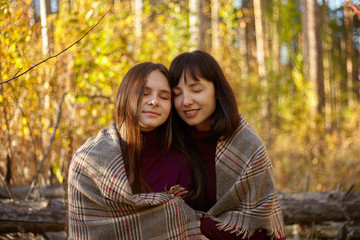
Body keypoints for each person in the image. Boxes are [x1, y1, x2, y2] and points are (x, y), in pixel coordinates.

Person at [67, 62, 206, 240]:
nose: (154, 101)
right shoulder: (89, 160)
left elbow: (185, 226)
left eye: (164, 97)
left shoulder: (181, 162)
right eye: (144, 93)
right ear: (125, 96)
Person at [169, 51, 286, 240]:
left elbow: (259, 226)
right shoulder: (170, 142)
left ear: (217, 91)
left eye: (197, 90)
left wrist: (195, 226)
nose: (186, 101)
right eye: (176, 94)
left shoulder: (246, 145)